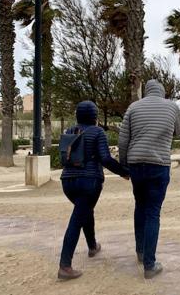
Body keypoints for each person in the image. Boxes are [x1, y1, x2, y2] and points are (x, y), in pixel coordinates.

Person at [118, 80, 180, 279]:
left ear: (145, 92)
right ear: (162, 92)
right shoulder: (172, 107)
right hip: (159, 165)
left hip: (136, 164)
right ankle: (149, 264)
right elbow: (178, 131)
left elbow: (122, 139)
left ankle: (140, 251)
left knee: (140, 206)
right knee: (153, 212)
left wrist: (124, 166)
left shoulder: (133, 107)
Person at [58, 101, 129, 281]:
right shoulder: (98, 132)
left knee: (84, 212)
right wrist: (124, 172)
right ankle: (65, 266)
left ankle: (92, 246)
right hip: (89, 181)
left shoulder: (69, 132)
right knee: (77, 219)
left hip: (67, 181)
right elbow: (105, 158)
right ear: (95, 116)